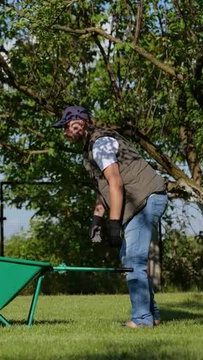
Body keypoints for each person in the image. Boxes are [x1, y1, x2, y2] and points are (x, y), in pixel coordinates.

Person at [53, 105, 168, 328]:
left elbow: (116, 183)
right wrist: (97, 219)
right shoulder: (92, 146)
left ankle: (142, 320)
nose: (65, 132)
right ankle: (152, 315)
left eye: (67, 126)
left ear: (80, 123)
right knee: (129, 259)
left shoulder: (101, 143)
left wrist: (114, 224)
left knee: (133, 260)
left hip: (146, 198)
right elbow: (105, 187)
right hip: (144, 199)